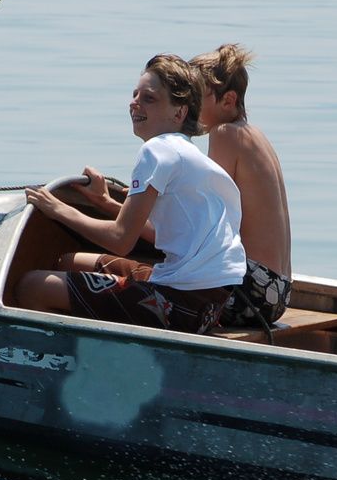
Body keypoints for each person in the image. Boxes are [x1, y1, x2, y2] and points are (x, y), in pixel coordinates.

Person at [15, 55, 246, 335]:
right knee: (69, 261)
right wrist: (106, 203)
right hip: (209, 303)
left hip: (180, 303)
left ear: (179, 113)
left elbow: (120, 240)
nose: (134, 103)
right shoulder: (187, 153)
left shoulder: (156, 150)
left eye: (149, 98)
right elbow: (170, 233)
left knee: (30, 286)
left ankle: (73, 363)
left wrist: (60, 210)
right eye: (135, 95)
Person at [184, 45, 294, 329]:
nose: (189, 105)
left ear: (227, 100)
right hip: (277, 291)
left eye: (196, 96)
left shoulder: (224, 135)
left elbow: (206, 219)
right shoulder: (254, 135)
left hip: (251, 293)